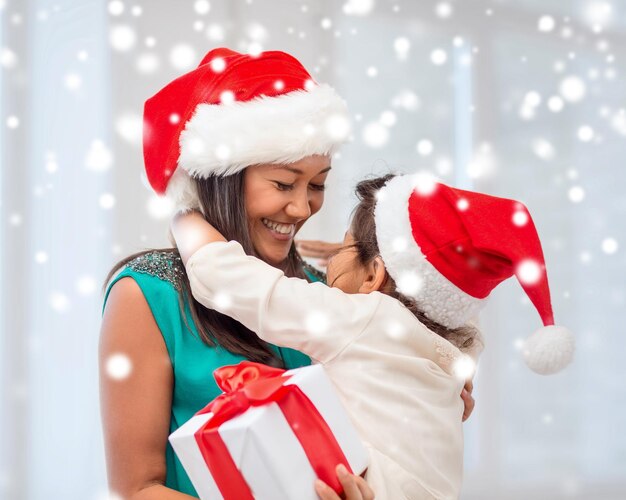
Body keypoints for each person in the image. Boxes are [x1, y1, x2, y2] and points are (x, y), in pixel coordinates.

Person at [172, 173, 575, 499]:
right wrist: (359, 257)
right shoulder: (454, 345)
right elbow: (439, 294)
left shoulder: (364, 319)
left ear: (373, 275)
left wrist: (183, 214)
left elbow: (239, 286)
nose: (331, 262)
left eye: (345, 246)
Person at [99, 48, 380, 499]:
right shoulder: (148, 295)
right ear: (222, 180)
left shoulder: (315, 291)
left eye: (319, 184)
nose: (302, 206)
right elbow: (136, 489)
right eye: (284, 184)